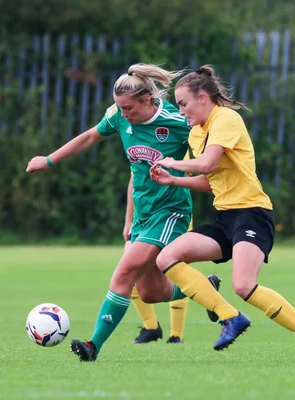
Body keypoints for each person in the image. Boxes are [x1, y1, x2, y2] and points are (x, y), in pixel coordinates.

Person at [26, 63, 220, 362]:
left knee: (124, 271)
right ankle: (206, 288)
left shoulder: (177, 120)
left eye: (128, 107)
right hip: (144, 213)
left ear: (147, 100)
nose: (123, 113)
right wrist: (49, 160)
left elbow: (211, 144)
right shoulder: (118, 115)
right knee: (151, 293)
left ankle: (93, 346)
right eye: (119, 107)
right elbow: (90, 137)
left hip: (170, 212)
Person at [150, 65, 295, 361]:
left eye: (183, 104)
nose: (181, 111)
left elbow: (207, 164)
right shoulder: (197, 133)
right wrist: (175, 180)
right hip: (225, 217)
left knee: (244, 285)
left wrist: (172, 163)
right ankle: (229, 316)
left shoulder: (227, 119)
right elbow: (211, 180)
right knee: (166, 257)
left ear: (203, 98)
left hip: (252, 213)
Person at [124, 174, 220, 345]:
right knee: (130, 274)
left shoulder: (180, 149)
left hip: (172, 219)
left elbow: (202, 175)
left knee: (175, 273)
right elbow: (135, 179)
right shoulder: (142, 149)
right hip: (144, 220)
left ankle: (176, 335)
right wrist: (128, 220)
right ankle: (150, 327)